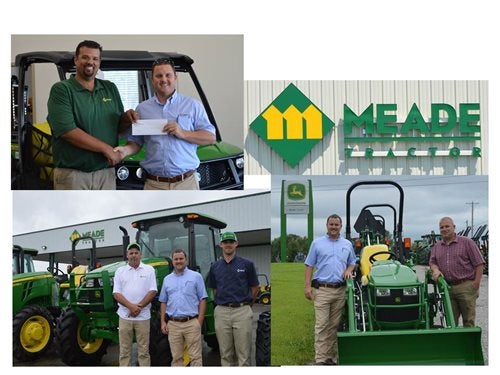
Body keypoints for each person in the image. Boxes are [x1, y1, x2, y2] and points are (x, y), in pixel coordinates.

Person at [114, 58, 216, 190]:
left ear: (175, 77)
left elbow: (210, 137)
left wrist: (183, 133)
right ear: (152, 79)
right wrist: (125, 151)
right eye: (159, 76)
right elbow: (136, 142)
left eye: (168, 75)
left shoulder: (192, 105)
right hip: (153, 184)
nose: (163, 79)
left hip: (186, 183)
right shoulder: (142, 109)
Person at [47, 40, 136, 190]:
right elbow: (68, 132)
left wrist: (127, 119)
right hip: (74, 175)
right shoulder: (62, 90)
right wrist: (106, 149)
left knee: (109, 214)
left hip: (106, 173)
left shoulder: (110, 88)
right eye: (85, 57)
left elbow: (117, 129)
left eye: (95, 58)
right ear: (76, 59)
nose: (90, 62)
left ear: (99, 62)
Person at [304, 214, 356, 365]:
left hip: (340, 290)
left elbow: (352, 262)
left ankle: (331, 358)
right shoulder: (317, 243)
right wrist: (307, 286)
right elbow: (309, 265)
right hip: (322, 290)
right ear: (327, 226)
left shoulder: (347, 244)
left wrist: (349, 270)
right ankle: (320, 359)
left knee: (333, 326)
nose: (333, 227)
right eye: (331, 224)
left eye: (336, 224)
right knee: (321, 325)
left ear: (340, 226)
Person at [206, 232, 259, 366]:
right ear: (221, 245)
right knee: (225, 353)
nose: (228, 245)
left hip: (242, 310)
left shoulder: (247, 264)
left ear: (236, 244)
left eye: (231, 242)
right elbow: (215, 289)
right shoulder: (215, 267)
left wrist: (247, 305)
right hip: (222, 311)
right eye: (225, 242)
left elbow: (255, 288)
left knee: (244, 353)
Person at [429, 216, 485, 327]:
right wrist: (435, 270)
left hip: (465, 286)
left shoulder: (467, 243)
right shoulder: (437, 246)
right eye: (442, 227)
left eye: (447, 226)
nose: (444, 229)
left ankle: (468, 343)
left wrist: (476, 283)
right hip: (447, 288)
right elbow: (432, 261)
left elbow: (479, 263)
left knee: (468, 320)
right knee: (450, 322)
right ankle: (453, 343)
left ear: (454, 227)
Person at [158, 249, 207, 366]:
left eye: (181, 259)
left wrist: (199, 321)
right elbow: (163, 301)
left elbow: (203, 299)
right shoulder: (167, 279)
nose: (178, 261)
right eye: (176, 259)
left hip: (191, 322)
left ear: (186, 260)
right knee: (176, 358)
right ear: (172, 261)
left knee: (195, 357)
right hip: (173, 324)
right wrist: (163, 322)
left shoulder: (196, 276)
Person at [113, 243, 157, 366]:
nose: (133, 255)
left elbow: (153, 290)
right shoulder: (120, 271)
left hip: (143, 317)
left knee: (143, 351)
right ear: (127, 255)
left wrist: (139, 307)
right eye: (131, 253)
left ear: (140, 254)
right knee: (124, 351)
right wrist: (131, 307)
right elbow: (116, 293)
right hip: (124, 316)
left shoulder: (149, 270)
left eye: (136, 253)